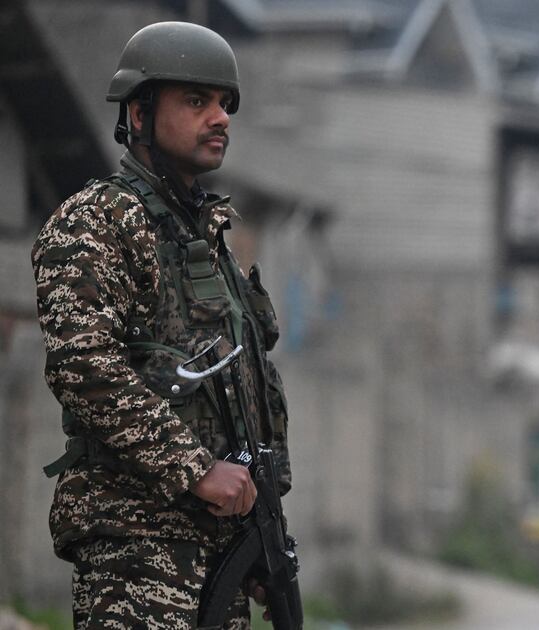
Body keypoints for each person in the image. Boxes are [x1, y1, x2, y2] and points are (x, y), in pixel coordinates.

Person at [32, 22, 290, 629]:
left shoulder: (209, 241)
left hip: (224, 549)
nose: (219, 118)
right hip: (138, 555)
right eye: (196, 101)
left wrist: (264, 526)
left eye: (224, 104)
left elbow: (250, 392)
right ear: (140, 114)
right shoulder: (96, 222)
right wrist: (196, 470)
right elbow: (83, 366)